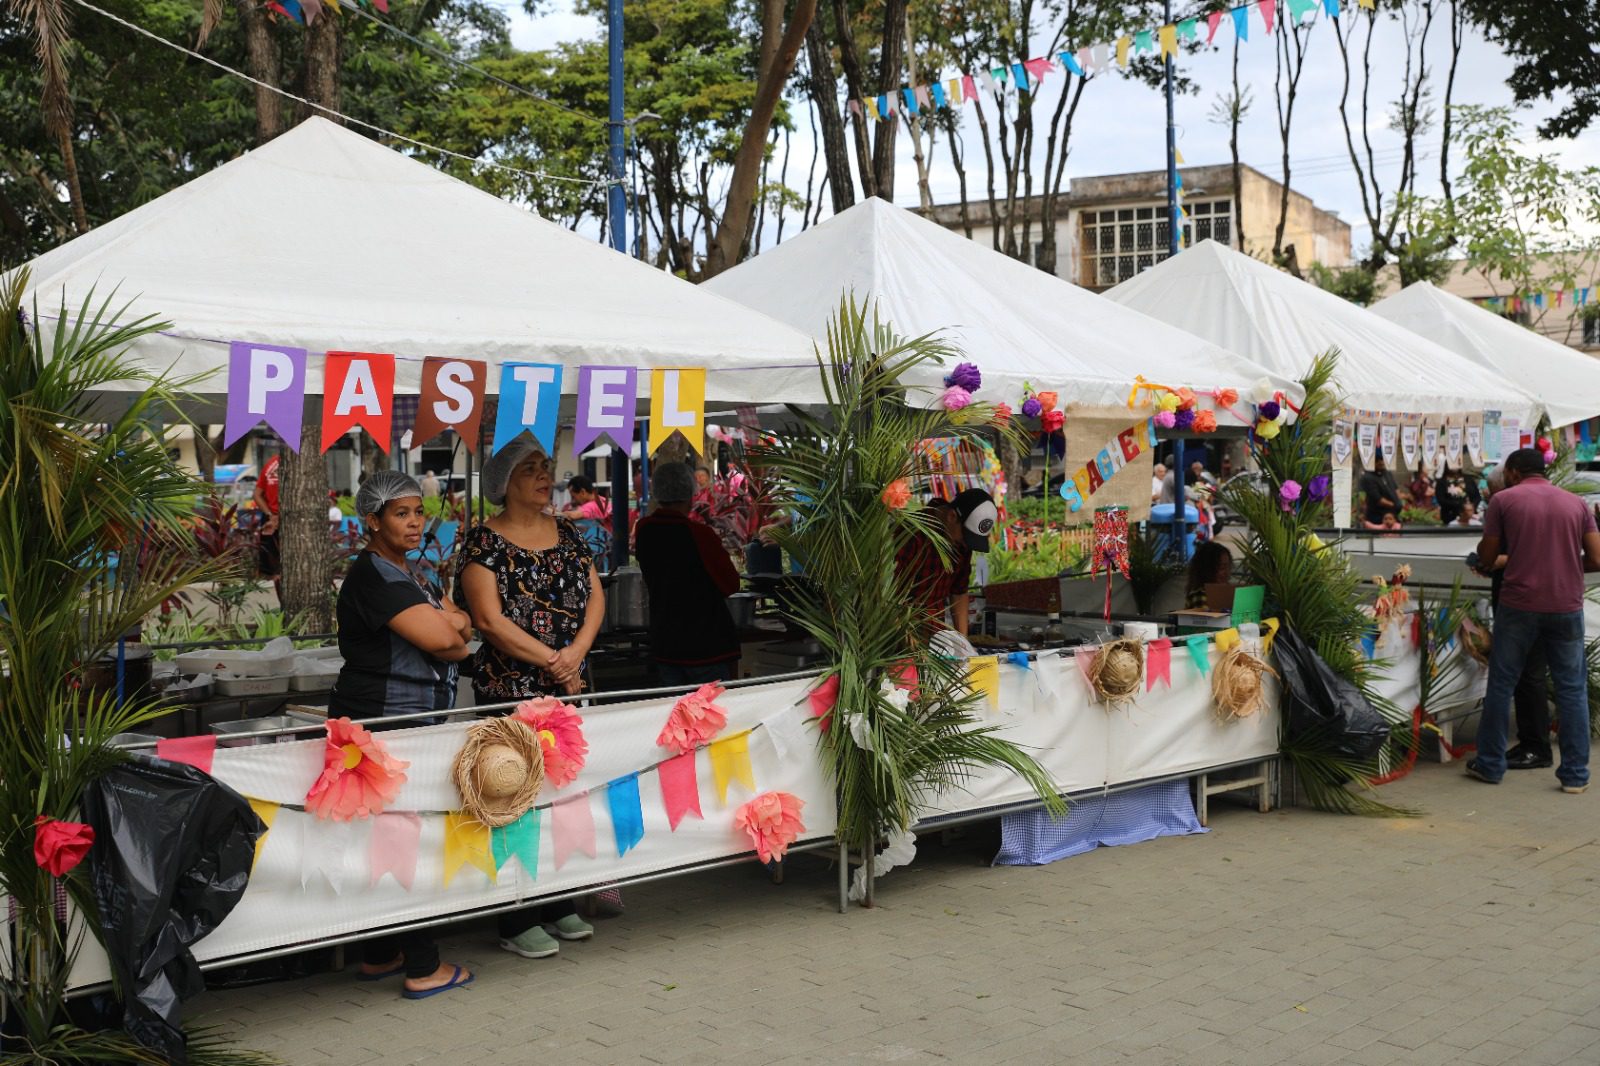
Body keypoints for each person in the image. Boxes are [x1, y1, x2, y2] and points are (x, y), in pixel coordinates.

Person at [457, 435, 604, 958]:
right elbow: (489, 621)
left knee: (561, 796)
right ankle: (514, 915)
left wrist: (576, 654)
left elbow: (595, 598)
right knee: (512, 798)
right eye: (530, 470)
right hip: (513, 690)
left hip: (570, 685)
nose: (545, 476)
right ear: (503, 485)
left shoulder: (567, 532)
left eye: (546, 467)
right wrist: (553, 661)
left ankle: (556, 898)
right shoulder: (483, 542)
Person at [331, 470, 474, 999]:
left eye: (418, 512)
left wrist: (452, 630)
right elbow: (449, 637)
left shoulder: (411, 574)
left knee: (386, 834)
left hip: (406, 721)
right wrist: (451, 631)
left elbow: (462, 626)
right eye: (401, 514)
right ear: (372, 521)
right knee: (404, 837)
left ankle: (379, 954)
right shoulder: (375, 579)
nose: (415, 523)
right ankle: (423, 966)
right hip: (389, 724)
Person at [1466, 448, 1600, 791]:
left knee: (1501, 684)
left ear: (1512, 472)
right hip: (1565, 606)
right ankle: (1574, 776)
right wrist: (1565, 562)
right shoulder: (1576, 504)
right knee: (1572, 690)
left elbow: (1489, 554)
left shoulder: (1504, 501)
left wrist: (1487, 556)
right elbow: (1597, 559)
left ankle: (1491, 765)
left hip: (1519, 606)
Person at [1472, 466, 1552, 770]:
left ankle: (1532, 748)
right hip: (1525, 600)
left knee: (1524, 677)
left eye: (1489, 492)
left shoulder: (1509, 507)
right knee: (1524, 678)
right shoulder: (1519, 506)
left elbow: (1520, 554)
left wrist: (1491, 561)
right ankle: (1529, 744)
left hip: (1522, 603)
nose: (1487, 497)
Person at [634, 463, 742, 685]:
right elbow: (731, 584)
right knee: (712, 715)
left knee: (676, 714)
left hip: (666, 642)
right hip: (707, 645)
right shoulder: (700, 534)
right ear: (690, 494)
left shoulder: (644, 530)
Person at [894, 489, 997, 637]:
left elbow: (959, 592)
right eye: (965, 538)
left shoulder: (961, 542)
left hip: (936, 636)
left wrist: (964, 643)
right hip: (900, 631)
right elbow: (890, 593)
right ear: (951, 516)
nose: (966, 545)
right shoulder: (911, 532)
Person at [252, 453, 282, 594]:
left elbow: (257, 495)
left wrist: (270, 515)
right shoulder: (298, 463)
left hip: (271, 519)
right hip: (286, 519)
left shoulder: (270, 463)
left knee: (274, 567)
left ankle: (283, 605)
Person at [1359, 450, 1402, 526]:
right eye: (1378, 460)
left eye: (1382, 460)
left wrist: (1399, 502)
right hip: (1377, 517)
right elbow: (1378, 500)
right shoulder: (1368, 477)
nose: (1381, 462)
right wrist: (1394, 505)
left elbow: (1396, 489)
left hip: (1392, 515)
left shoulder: (1387, 473)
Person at [1185, 541, 1233, 609]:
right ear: (1207, 570)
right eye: (1222, 568)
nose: (1227, 573)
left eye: (1228, 567)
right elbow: (1207, 619)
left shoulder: (1226, 593)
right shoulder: (1199, 595)